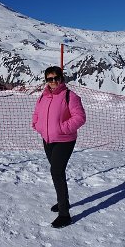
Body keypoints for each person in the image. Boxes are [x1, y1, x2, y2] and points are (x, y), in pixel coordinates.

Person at [32, 66, 86, 228]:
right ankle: (64, 202)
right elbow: (37, 112)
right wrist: (37, 125)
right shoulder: (44, 96)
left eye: (56, 78)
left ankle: (64, 214)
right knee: (57, 172)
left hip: (65, 140)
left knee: (56, 172)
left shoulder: (70, 96)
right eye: (50, 79)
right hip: (48, 139)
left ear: (61, 78)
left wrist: (62, 129)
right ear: (46, 80)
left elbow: (80, 118)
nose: (53, 81)